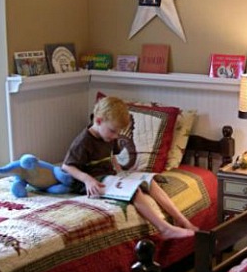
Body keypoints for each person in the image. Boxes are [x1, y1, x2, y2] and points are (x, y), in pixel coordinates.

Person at [62, 96, 197, 239]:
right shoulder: (84, 141)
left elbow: (112, 155)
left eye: (118, 132)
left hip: (109, 175)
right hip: (93, 181)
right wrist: (87, 180)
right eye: (113, 131)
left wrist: (121, 172)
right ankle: (164, 228)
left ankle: (182, 220)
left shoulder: (108, 136)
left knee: (150, 182)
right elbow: (67, 166)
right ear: (99, 121)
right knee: (134, 190)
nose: (116, 136)